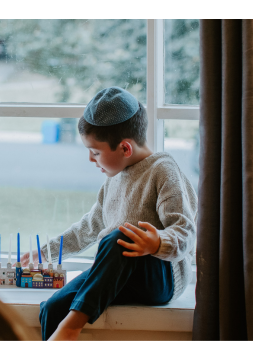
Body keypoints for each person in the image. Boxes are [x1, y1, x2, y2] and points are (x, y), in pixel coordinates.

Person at [21, 87, 197, 341]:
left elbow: (185, 232)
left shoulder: (163, 170)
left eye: (95, 152)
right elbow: (88, 228)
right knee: (52, 308)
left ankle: (71, 328)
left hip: (161, 278)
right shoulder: (113, 180)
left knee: (119, 237)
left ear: (125, 148)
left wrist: (157, 242)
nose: (91, 160)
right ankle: (63, 325)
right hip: (117, 274)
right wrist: (46, 252)